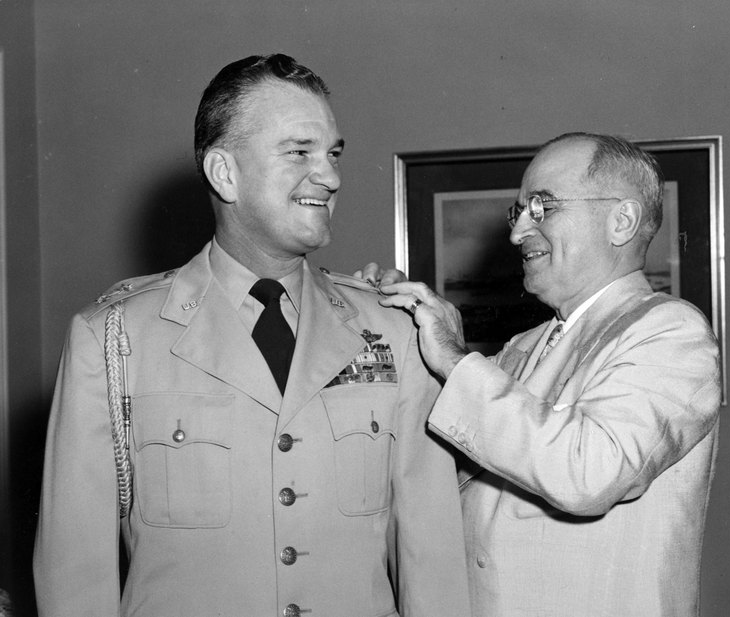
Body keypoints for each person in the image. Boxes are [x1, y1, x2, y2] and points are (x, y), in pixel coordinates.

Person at [33, 54, 470, 617]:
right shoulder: (115, 340)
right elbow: (76, 584)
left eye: (333, 154)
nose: (332, 177)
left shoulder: (393, 330)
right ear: (225, 173)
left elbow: (432, 565)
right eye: (299, 152)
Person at [379, 132, 721, 616]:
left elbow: (588, 474)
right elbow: (443, 459)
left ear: (621, 221)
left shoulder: (671, 332)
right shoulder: (525, 346)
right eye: (517, 211)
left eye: (542, 207)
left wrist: (455, 360)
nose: (518, 232)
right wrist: (389, 324)